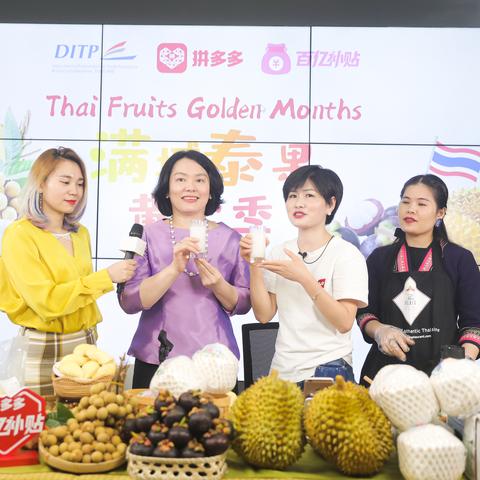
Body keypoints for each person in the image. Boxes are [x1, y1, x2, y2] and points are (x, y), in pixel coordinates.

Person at [0, 147, 137, 396]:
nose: (74, 190)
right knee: (43, 418)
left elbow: (79, 296)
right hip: (42, 345)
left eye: (80, 183)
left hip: (85, 344)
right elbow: (46, 302)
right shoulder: (19, 234)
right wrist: (106, 277)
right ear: (41, 184)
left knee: (85, 418)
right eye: (65, 182)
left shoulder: (80, 233)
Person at [119, 150, 250, 388]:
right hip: (156, 356)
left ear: (211, 190)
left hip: (215, 362)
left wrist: (219, 285)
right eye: (180, 179)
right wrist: (173, 270)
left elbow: (243, 303)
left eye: (200, 180)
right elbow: (129, 301)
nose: (190, 187)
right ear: (166, 190)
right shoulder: (147, 235)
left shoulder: (231, 239)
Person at [240, 165, 368, 385]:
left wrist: (305, 279)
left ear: (330, 204)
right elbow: (264, 315)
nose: (298, 203)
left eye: (309, 195)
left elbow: (344, 322)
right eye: (293, 196)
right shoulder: (279, 251)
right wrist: (254, 265)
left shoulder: (346, 254)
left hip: (328, 368)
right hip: (281, 371)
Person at [357, 174, 480, 385]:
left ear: (440, 212)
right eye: (405, 202)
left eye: (421, 204)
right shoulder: (379, 258)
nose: (411, 209)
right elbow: (364, 313)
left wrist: (460, 369)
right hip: (384, 378)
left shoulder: (459, 259)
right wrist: (380, 331)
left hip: (442, 380)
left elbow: (474, 323)